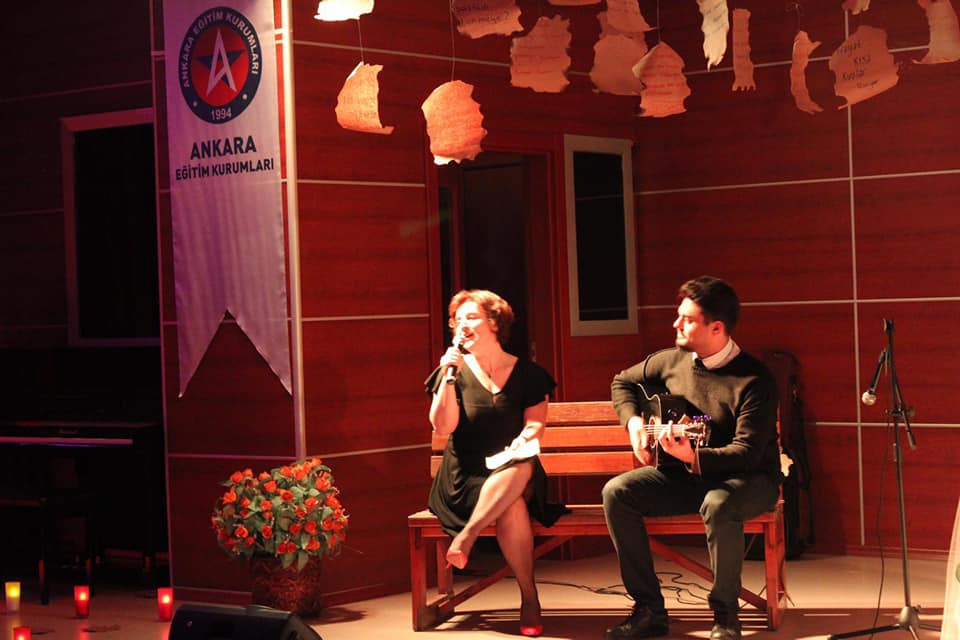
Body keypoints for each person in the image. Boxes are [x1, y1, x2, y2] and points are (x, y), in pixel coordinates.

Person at [602, 276, 782, 640]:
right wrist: (634, 422)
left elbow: (747, 453)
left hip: (751, 480)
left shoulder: (755, 380)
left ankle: (726, 616)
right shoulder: (672, 361)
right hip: (688, 474)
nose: (676, 324)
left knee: (718, 504)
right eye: (678, 315)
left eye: (686, 319)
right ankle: (649, 610)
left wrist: (692, 455)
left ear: (716, 328)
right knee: (617, 493)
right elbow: (622, 382)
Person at [425, 289, 566, 638]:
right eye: (457, 319)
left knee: (520, 469)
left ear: (494, 322)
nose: (462, 325)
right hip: (465, 476)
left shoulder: (528, 374)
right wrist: (448, 376)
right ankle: (529, 596)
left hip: (513, 467)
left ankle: (467, 538)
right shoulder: (451, 371)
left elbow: (536, 425)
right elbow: (443, 427)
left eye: (472, 317)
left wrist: (524, 439)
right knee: (512, 504)